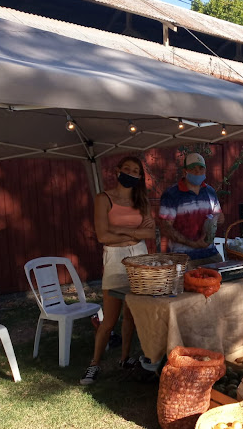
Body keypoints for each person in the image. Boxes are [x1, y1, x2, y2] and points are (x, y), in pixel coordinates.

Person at [81, 156, 155, 385]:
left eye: (136, 171)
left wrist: (119, 230)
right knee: (110, 319)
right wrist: (134, 231)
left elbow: (150, 233)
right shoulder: (104, 199)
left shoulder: (141, 200)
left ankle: (124, 358)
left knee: (132, 314)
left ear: (140, 177)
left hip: (141, 256)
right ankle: (94, 363)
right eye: (127, 169)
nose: (131, 174)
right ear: (117, 170)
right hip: (114, 259)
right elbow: (103, 235)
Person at [158, 153, 224, 265]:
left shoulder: (210, 191)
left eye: (201, 168)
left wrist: (212, 222)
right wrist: (193, 243)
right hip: (182, 258)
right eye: (193, 169)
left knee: (221, 278)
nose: (197, 172)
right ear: (185, 172)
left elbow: (221, 217)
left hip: (209, 253)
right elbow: (165, 227)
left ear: (205, 170)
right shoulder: (172, 194)